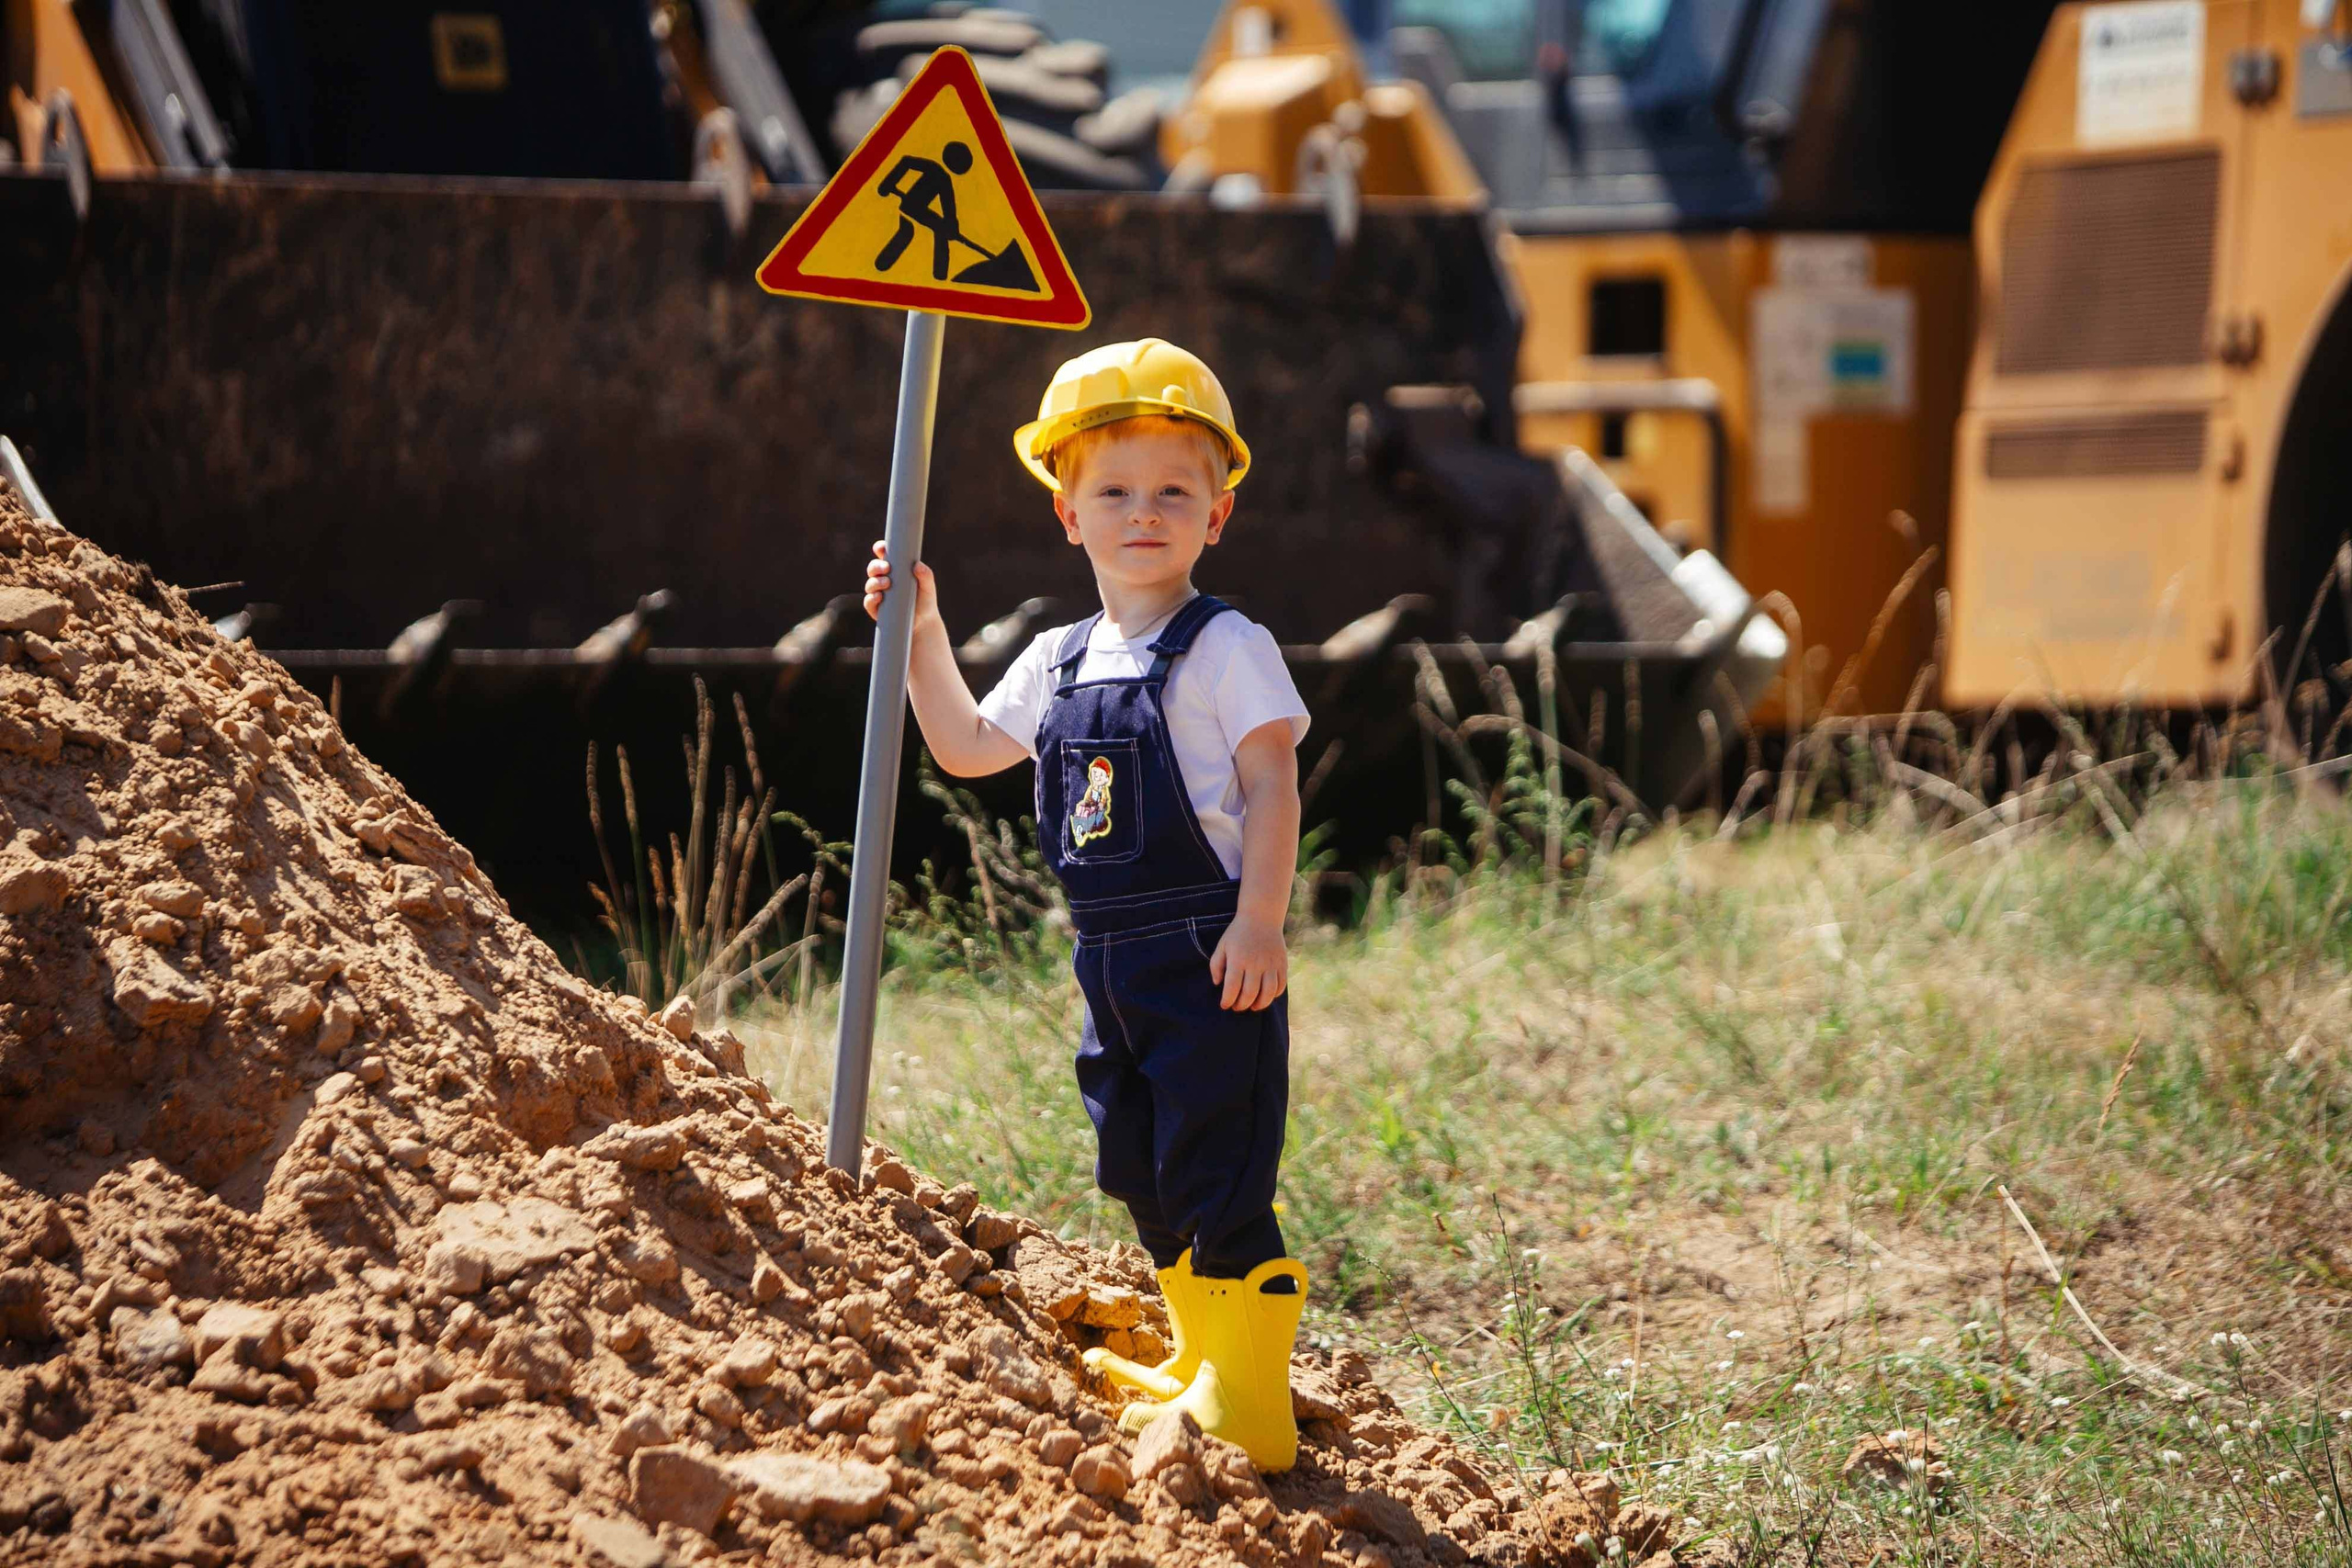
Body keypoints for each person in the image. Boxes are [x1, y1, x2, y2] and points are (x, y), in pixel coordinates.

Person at [859, 339, 1309, 1470]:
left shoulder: (1224, 647)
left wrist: (1260, 921)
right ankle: (1197, 1359)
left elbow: (1271, 786)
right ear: (1069, 513)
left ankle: (1253, 1401)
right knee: (1143, 1166)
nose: (1142, 513)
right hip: (1106, 961)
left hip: (1211, 951)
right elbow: (964, 747)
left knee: (1218, 1163)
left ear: (1219, 515)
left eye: (1173, 492)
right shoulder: (1058, 658)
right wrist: (918, 637)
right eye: (1113, 491)